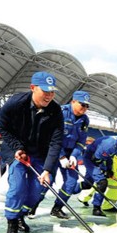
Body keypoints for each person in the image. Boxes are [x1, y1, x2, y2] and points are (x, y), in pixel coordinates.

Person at [0, 71, 63, 233]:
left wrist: (48, 169)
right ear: (33, 88)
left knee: (38, 190)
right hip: (16, 151)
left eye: (52, 92)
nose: (49, 95)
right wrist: (17, 148)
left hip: (40, 153)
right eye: (45, 91)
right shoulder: (15, 104)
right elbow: (3, 128)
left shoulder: (56, 111)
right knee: (18, 187)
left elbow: (56, 142)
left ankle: (21, 215)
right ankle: (12, 223)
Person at [27, 90, 90, 219]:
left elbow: (82, 141)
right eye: (82, 104)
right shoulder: (60, 112)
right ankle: (32, 206)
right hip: (53, 150)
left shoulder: (85, 120)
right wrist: (60, 156)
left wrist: (74, 156)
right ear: (73, 101)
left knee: (72, 182)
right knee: (47, 180)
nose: (84, 108)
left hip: (70, 152)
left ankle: (57, 208)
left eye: (87, 106)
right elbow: (50, 136)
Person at [77, 131, 117, 216]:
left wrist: (109, 170)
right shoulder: (109, 144)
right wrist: (104, 171)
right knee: (102, 182)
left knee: (87, 184)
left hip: (97, 159)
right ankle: (96, 208)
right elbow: (97, 160)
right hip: (90, 158)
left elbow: (109, 158)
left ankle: (70, 190)